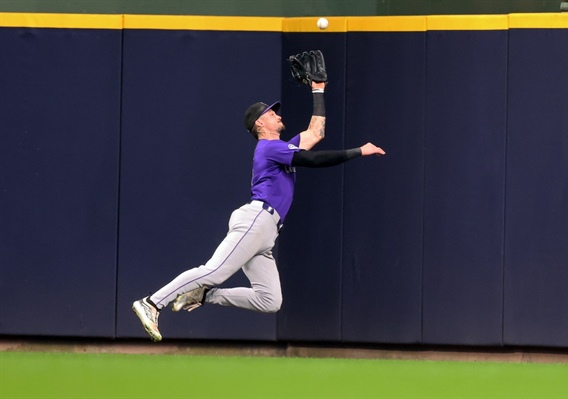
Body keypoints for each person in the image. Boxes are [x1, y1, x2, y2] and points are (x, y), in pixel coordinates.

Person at [132, 80, 385, 342]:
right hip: (257, 219)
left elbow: (315, 133)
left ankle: (206, 295)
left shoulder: (281, 148)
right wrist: (358, 151)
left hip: (266, 232)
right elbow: (313, 160)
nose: (278, 116)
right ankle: (152, 302)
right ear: (259, 124)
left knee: (270, 300)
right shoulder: (269, 148)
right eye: (272, 114)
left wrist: (318, 90)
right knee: (214, 271)